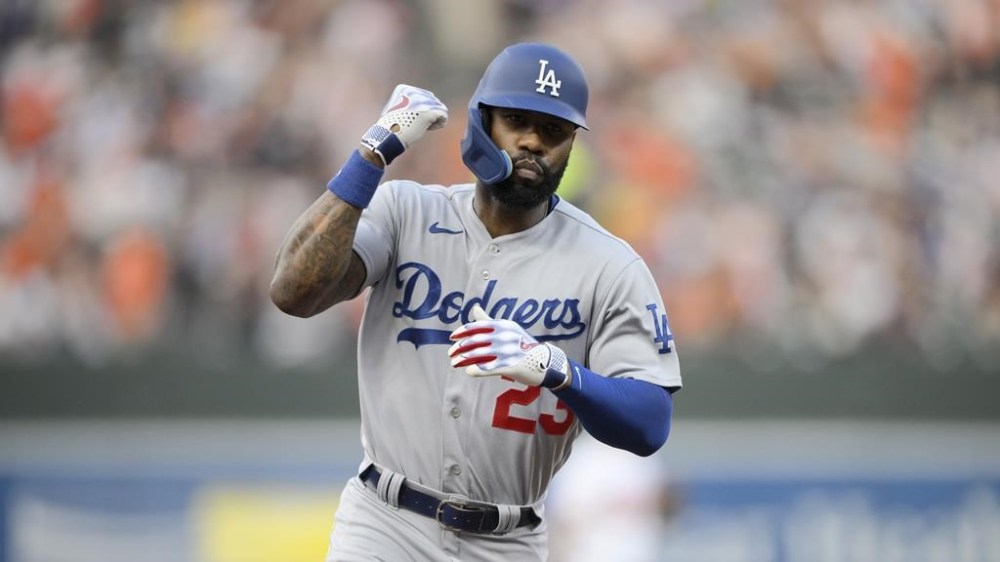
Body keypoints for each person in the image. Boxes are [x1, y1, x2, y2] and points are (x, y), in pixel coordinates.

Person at [269, 42, 682, 561]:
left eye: (553, 130)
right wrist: (371, 154)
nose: (533, 141)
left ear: (571, 144)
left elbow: (650, 424)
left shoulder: (608, 264)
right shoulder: (405, 212)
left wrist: (555, 368)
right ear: (481, 123)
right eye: (516, 120)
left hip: (507, 539)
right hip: (383, 523)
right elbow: (293, 291)